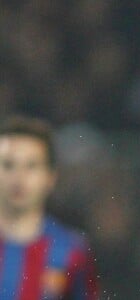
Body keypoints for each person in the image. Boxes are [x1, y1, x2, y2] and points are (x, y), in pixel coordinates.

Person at [0, 115, 100, 299]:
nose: (19, 177)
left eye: (31, 166)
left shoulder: (72, 251)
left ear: (50, 176)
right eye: (8, 165)